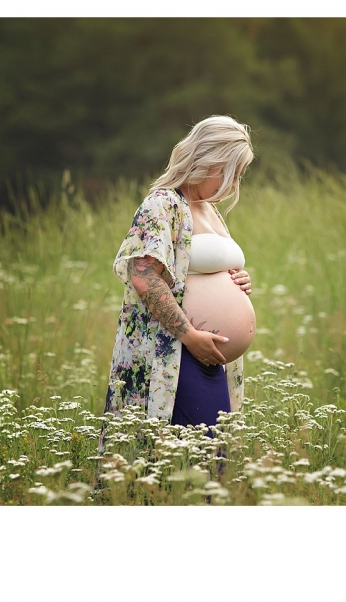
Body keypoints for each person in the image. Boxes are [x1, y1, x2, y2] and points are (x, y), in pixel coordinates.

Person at [101, 115, 256, 440]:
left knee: (210, 460)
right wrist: (189, 336)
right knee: (193, 458)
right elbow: (143, 276)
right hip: (175, 350)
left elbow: (198, 267)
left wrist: (238, 281)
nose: (233, 186)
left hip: (208, 354)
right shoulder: (163, 204)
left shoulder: (208, 209)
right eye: (230, 174)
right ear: (209, 161)